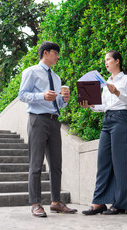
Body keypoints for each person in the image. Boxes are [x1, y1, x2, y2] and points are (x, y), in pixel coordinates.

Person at [18, 41, 77, 217]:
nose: (58, 57)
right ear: (46, 52)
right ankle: (36, 203)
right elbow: (22, 95)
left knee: (56, 164)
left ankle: (56, 201)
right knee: (36, 163)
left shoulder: (57, 78)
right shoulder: (31, 72)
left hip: (54, 121)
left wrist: (64, 100)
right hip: (37, 120)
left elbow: (57, 103)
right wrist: (41, 95)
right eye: (56, 53)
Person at [80, 50, 127, 215]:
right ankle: (98, 202)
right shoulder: (105, 83)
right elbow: (103, 106)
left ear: (117, 61)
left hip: (121, 118)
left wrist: (117, 92)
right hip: (108, 119)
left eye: (108, 59)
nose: (106, 63)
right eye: (105, 60)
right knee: (103, 161)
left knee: (121, 163)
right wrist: (90, 105)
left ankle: (121, 204)